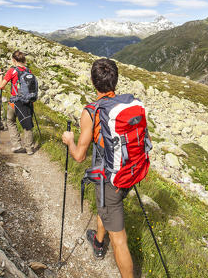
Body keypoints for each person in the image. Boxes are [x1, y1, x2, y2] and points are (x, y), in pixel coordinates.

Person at [62, 58, 135, 278]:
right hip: (129, 171)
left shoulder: (91, 111)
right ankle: (99, 242)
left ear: (93, 82)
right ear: (115, 81)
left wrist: (69, 140)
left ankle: (109, 246)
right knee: (102, 205)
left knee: (119, 239)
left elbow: (79, 156)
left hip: (109, 179)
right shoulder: (128, 104)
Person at [0, 50, 36, 155]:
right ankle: (29, 148)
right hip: (27, 102)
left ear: (14, 60)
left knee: (10, 121)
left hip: (15, 101)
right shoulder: (28, 71)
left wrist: (0, 76)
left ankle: (17, 145)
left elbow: (1, 86)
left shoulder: (12, 71)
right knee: (27, 124)